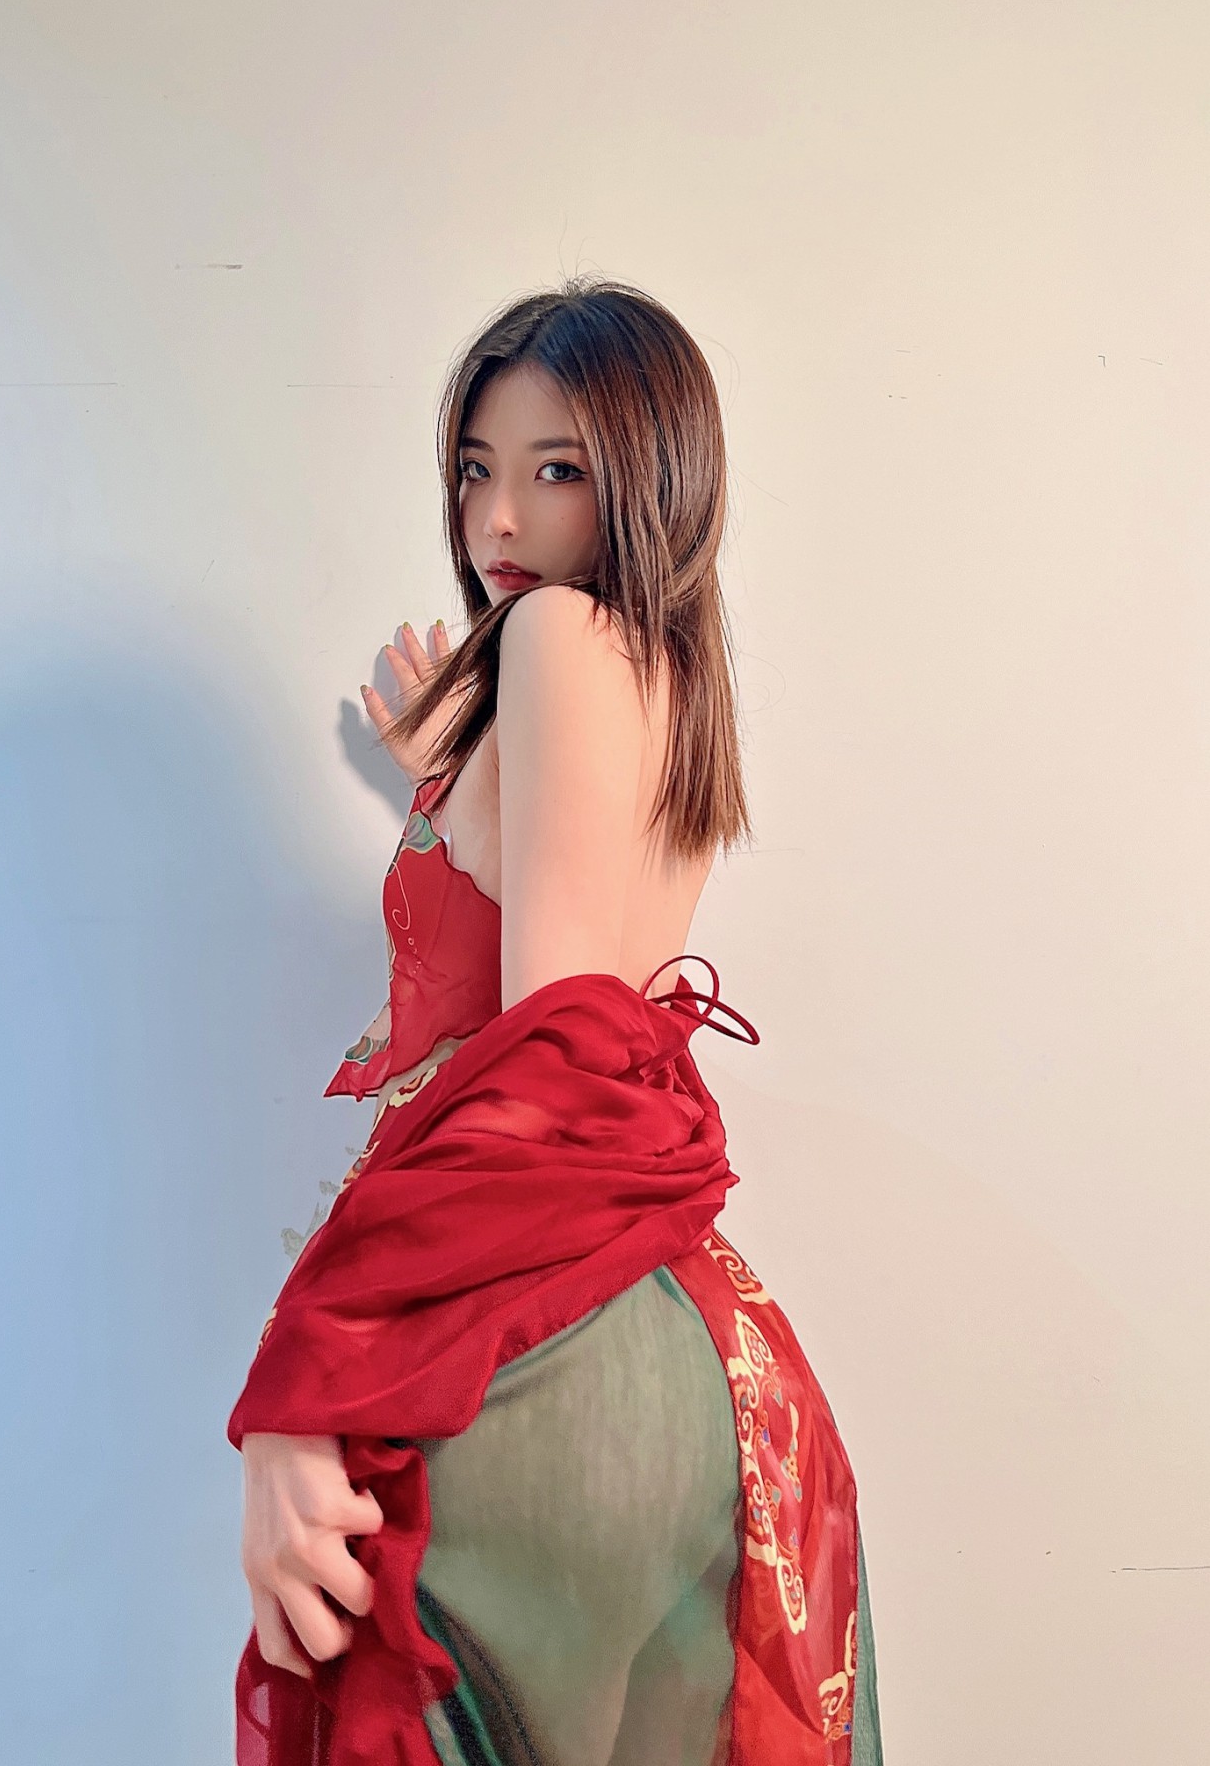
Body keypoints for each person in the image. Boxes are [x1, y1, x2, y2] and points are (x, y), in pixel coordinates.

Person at [230, 277, 883, 1765]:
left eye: (556, 470)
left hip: (533, 1340)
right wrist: (448, 769)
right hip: (697, 1348)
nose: (497, 521)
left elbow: (554, 1058)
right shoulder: (669, 686)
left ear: (654, 479)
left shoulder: (552, 640)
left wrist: (301, 1382)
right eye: (475, 470)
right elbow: (582, 965)